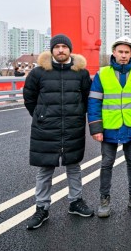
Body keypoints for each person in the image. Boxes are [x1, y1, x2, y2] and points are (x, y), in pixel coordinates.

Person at [23, 34, 93, 230]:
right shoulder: (38, 73)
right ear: (52, 50)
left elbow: (87, 98)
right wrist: (40, 116)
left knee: (73, 165)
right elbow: (29, 97)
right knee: (45, 168)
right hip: (46, 127)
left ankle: (75, 202)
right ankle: (41, 208)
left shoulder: (81, 73)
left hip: (72, 126)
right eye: (57, 47)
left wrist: (79, 115)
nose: (61, 50)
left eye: (64, 47)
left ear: (70, 50)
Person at [88, 36, 131, 218]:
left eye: (127, 52)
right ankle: (104, 199)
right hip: (109, 127)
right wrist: (96, 128)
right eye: (120, 52)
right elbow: (94, 102)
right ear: (114, 53)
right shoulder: (103, 74)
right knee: (107, 163)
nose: (123, 55)